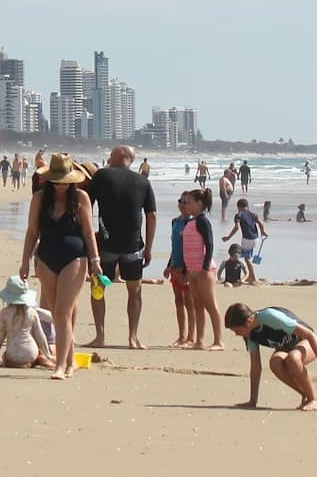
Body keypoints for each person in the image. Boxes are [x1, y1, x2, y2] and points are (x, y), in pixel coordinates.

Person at [19, 153, 101, 379]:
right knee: (56, 313)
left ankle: (60, 366)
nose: (61, 186)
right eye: (57, 181)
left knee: (64, 311)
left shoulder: (82, 198)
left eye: (65, 181)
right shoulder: (39, 198)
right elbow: (32, 232)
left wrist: (95, 260)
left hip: (75, 257)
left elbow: (87, 231)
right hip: (46, 258)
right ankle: (71, 360)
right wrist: (25, 261)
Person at [87, 144, 158, 349]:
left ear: (121, 155)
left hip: (106, 245)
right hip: (133, 246)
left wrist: (88, 236)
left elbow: (86, 204)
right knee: (134, 291)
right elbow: (151, 215)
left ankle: (100, 336)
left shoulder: (101, 176)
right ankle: (133, 338)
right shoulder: (143, 181)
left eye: (111, 154)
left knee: (98, 288)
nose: (109, 157)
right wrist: (149, 247)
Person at [225, 302, 317, 411]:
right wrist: (252, 401)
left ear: (248, 321)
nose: (236, 334)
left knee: (293, 358)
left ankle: (313, 399)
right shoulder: (250, 335)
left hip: (307, 342)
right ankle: (305, 394)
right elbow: (255, 366)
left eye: (237, 330)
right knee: (275, 363)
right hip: (287, 347)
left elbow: (310, 335)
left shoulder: (269, 317)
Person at [168, 188, 222, 349]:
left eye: (189, 203)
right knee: (197, 305)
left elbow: (209, 244)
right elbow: (186, 248)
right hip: (191, 270)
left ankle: (219, 341)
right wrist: (185, 270)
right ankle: (199, 340)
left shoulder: (202, 221)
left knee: (210, 305)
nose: (186, 205)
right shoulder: (190, 222)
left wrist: (205, 268)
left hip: (204, 270)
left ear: (199, 204)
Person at [0, 276, 56, 369]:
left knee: (5, 356)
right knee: (39, 353)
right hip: (31, 352)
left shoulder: (5, 313)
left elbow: (0, 335)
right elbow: (40, 335)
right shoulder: (32, 312)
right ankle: (42, 360)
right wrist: (48, 354)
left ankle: (18, 363)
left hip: (12, 355)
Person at [229, 198, 263, 266]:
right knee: (247, 256)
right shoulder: (253, 214)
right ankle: (249, 273)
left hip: (247, 239)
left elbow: (237, 227)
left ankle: (251, 274)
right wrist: (263, 232)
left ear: (238, 207)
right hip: (255, 238)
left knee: (246, 258)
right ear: (247, 206)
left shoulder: (238, 215)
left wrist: (229, 237)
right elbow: (260, 223)